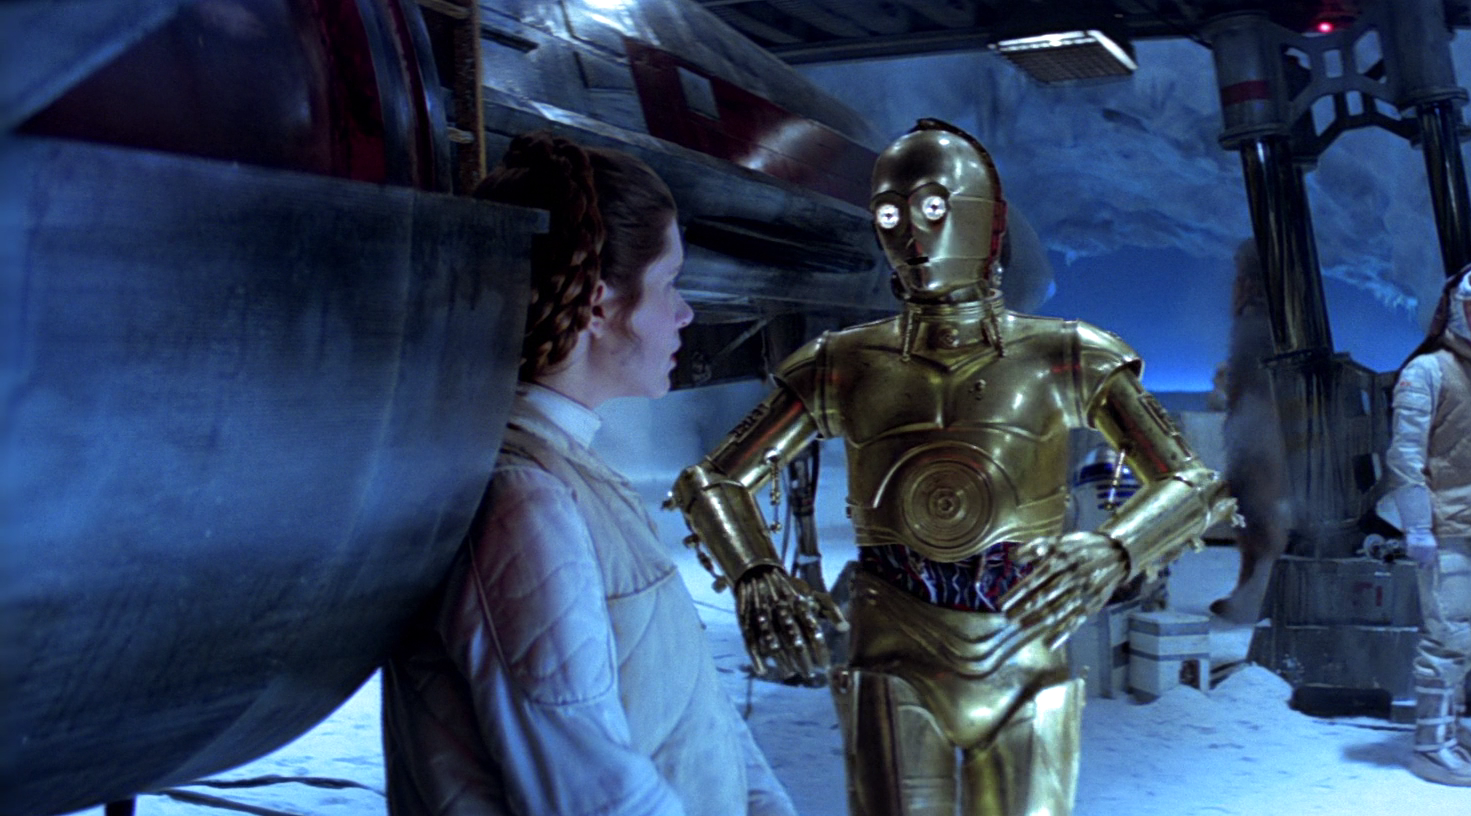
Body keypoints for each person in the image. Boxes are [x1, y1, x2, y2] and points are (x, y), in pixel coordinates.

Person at [671, 119, 1236, 816]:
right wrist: (756, 571)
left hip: (1025, 648)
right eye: (890, 216)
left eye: (933, 209)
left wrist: (1115, 548)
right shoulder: (840, 364)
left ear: (983, 218)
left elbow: (1193, 482)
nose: (912, 236)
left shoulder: (1067, 355)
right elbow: (714, 479)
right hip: (892, 647)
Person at [381, 132, 796, 816]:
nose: (686, 313)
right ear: (600, 306)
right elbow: (593, 795)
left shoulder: (568, 475)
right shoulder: (525, 502)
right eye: (670, 282)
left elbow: (696, 714)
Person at [1379, 260, 1471, 787]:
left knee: (1470, 635)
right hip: (1447, 529)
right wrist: (1417, 526)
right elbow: (1404, 457)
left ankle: (1449, 728)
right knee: (1447, 637)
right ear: (1455, 312)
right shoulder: (1426, 372)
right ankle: (1431, 745)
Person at [1209, 239, 1295, 623]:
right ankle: (1250, 589)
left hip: (1262, 435)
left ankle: (1258, 594)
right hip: (1251, 430)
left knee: (1258, 508)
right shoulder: (1258, 321)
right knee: (1248, 506)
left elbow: (1262, 386)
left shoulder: (1261, 323)